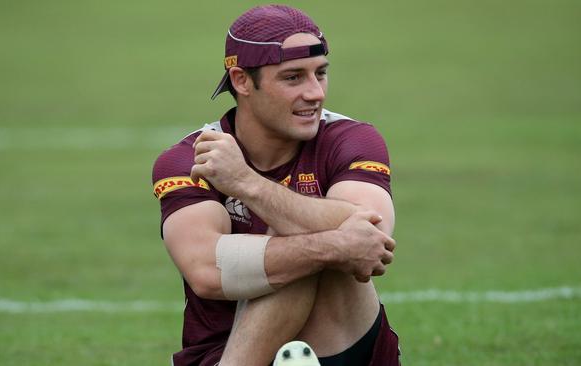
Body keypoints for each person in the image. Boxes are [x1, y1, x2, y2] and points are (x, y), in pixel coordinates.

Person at [152, 5, 400, 366]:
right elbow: (206, 271)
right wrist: (330, 243)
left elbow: (373, 241)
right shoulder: (190, 159)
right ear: (241, 80)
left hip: (343, 344)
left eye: (321, 73)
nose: (316, 93)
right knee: (301, 237)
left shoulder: (353, 139)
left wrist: (247, 183)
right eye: (293, 78)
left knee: (298, 232)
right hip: (224, 352)